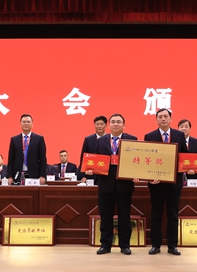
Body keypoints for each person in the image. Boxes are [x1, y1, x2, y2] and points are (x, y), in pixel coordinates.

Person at [90, 113, 137, 255]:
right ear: (109, 125)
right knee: (105, 217)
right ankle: (105, 245)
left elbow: (136, 160)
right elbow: (96, 158)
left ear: (124, 125)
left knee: (124, 217)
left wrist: (137, 173)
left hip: (125, 185)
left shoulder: (132, 140)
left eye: (119, 122)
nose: (116, 124)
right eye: (113, 122)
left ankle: (125, 245)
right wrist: (91, 169)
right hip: (105, 185)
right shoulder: (101, 140)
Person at [144, 108, 189, 256]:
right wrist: (149, 176)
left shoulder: (179, 135)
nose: (163, 119)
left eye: (165, 116)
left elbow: (184, 155)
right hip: (156, 183)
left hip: (174, 182)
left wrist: (189, 167)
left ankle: (172, 245)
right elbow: (146, 159)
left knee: (173, 215)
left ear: (171, 119)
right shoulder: (149, 136)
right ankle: (155, 245)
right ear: (156, 120)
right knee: (156, 215)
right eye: (160, 117)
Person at [7, 114, 47, 185]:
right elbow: (11, 159)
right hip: (18, 173)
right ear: (20, 124)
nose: (26, 124)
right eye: (24, 122)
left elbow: (43, 159)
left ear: (32, 124)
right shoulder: (14, 139)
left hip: (34, 173)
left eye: (28, 122)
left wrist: (43, 175)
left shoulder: (39, 139)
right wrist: (9, 176)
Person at [79, 115, 107, 183]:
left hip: (106, 175)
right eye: (97, 124)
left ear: (106, 125)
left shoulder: (110, 139)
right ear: (94, 125)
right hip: (91, 174)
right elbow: (83, 157)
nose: (99, 126)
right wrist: (83, 175)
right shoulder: (88, 139)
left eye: (101, 124)